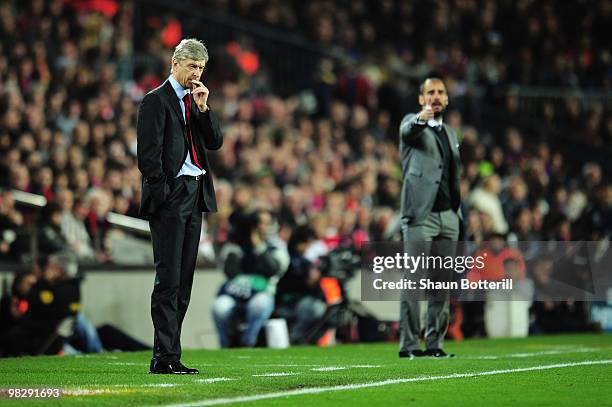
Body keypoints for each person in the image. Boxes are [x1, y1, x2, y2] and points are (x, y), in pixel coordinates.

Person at [137, 38, 223, 374]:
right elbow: (148, 157)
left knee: (184, 281)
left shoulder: (195, 100)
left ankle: (170, 354)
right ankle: (164, 357)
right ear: (175, 63)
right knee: (168, 279)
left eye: (200, 68)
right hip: (172, 195)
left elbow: (214, 142)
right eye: (191, 66)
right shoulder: (155, 101)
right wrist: (164, 193)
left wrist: (204, 108)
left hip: (197, 193)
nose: (196, 73)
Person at [398, 77, 462, 358]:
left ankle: (435, 344)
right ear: (421, 98)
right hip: (420, 214)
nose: (436, 97)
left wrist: (457, 212)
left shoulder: (450, 132)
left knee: (441, 284)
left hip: (448, 215)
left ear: (447, 99)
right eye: (430, 92)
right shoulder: (413, 124)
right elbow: (408, 130)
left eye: (440, 92)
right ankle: (410, 346)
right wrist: (422, 116)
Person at [212, 209, 289, 347]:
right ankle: (226, 345)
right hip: (236, 294)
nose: (262, 227)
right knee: (219, 306)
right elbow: (230, 272)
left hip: (263, 294)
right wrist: (237, 242)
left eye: (266, 223)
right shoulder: (238, 246)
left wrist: (259, 246)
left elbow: (273, 270)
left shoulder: (277, 247)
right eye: (259, 223)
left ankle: (248, 341)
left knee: (258, 304)